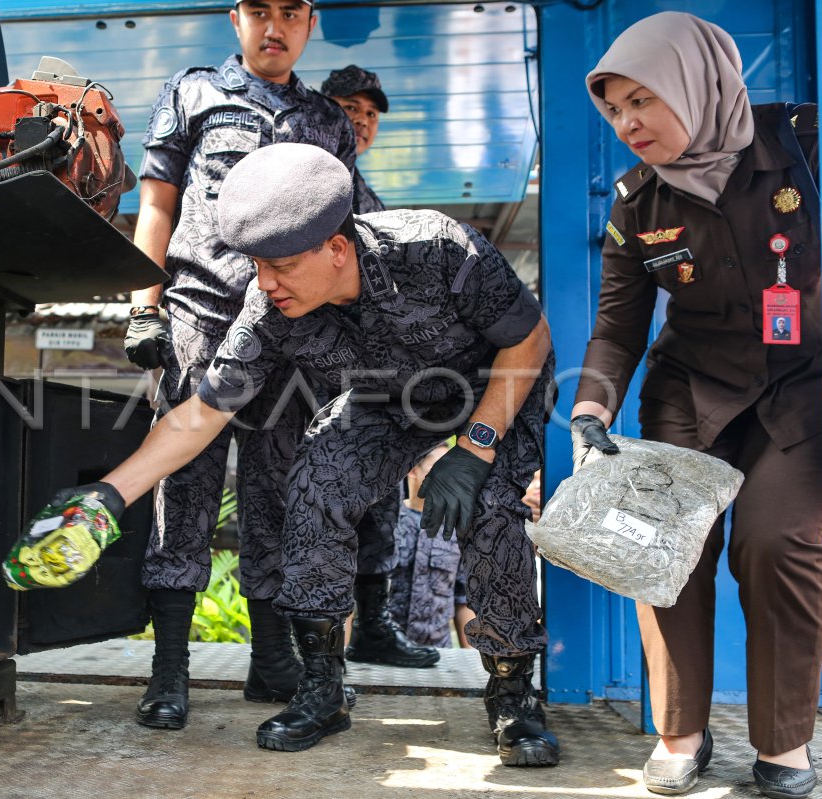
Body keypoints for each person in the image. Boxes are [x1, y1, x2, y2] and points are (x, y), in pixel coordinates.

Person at [55, 142, 560, 761]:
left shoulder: (437, 248)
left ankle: (513, 696)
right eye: (256, 266)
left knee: (490, 509)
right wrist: (108, 497)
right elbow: (203, 412)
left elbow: (530, 339)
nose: (266, 283)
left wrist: (476, 447)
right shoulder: (270, 306)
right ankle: (323, 688)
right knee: (317, 477)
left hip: (491, 388)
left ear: (337, 249)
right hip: (388, 401)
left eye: (283, 266)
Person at [570, 12, 822, 798]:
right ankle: (681, 731)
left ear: (697, 83)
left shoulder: (807, 147)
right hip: (689, 390)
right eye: (614, 110)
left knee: (776, 544)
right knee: (663, 547)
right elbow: (617, 326)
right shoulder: (636, 203)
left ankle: (783, 742)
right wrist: (591, 411)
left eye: (644, 100)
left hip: (797, 388)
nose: (628, 123)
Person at [121, 0, 367, 733]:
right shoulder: (192, 93)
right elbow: (157, 203)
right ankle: (169, 671)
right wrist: (144, 305)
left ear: (310, 21)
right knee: (184, 489)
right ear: (236, 17)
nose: (275, 26)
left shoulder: (329, 121)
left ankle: (271, 661)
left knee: (279, 492)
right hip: (201, 314)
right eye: (259, 9)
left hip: (293, 325)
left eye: (291, 11)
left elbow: (342, 231)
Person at [318, 63, 441, 670]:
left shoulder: (371, 198)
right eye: (348, 108)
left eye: (369, 114)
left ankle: (373, 629)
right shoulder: (309, 183)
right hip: (312, 379)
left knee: (380, 505)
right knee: (323, 507)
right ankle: (312, 655)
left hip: (370, 381)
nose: (361, 122)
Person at [387, 442, 471, 648]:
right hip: (385, 652)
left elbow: (463, 598)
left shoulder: (457, 531)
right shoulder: (387, 523)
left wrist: (472, 660)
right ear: (414, 471)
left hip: (438, 654)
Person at [322, 64, 388, 214]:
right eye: (351, 107)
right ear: (323, 109)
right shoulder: (300, 167)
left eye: (371, 114)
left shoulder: (372, 202)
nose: (363, 120)